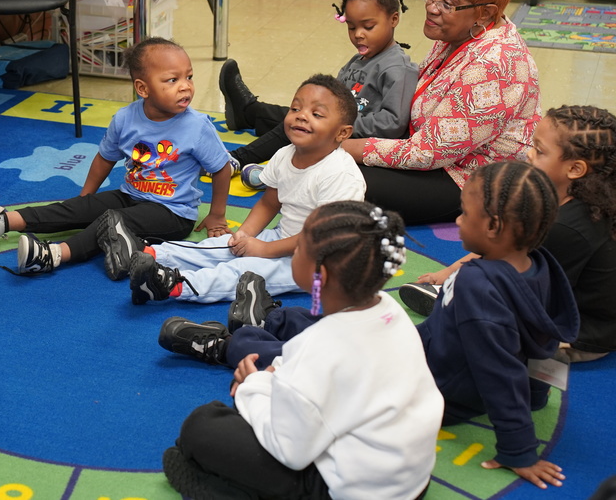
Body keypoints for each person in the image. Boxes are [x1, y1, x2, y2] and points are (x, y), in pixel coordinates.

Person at [160, 201, 443, 500]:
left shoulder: (323, 346)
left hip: (350, 491)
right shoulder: (391, 313)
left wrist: (252, 387)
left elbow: (290, 450)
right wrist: (277, 376)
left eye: (300, 247)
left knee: (203, 425)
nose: (293, 251)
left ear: (320, 274)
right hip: (411, 483)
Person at [0, 37, 232, 278]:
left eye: (189, 77)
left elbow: (221, 168)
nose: (185, 86)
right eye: (172, 80)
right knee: (81, 208)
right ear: (142, 88)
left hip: (172, 213)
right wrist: (85, 199)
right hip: (131, 194)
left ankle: (52, 255)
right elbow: (104, 158)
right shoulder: (125, 118)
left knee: (111, 220)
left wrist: (216, 215)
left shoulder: (197, 126)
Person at [101, 74, 366, 304]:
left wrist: (263, 250)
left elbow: (319, 238)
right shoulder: (285, 154)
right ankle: (146, 254)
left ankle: (174, 285)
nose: (301, 116)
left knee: (245, 269)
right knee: (221, 246)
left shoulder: (341, 174)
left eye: (316, 114)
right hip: (284, 238)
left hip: (321, 262)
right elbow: (269, 203)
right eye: (295, 108)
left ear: (342, 133)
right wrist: (245, 235)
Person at [337, 0, 540, 224]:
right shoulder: (461, 31)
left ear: (485, 12)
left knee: (335, 172)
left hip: (471, 179)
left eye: (448, 3)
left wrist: (344, 146)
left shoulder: (493, 64)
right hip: (434, 156)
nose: (432, 8)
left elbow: (427, 152)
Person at [402, 105, 616, 362]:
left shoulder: (567, 229)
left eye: (539, 150)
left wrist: (469, 296)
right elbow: (506, 249)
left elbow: (527, 291)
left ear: (575, 169)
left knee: (471, 329)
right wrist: (447, 273)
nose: (528, 153)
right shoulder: (565, 200)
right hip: (561, 304)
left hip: (577, 334)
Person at [418, 161, 579, 489]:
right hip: (448, 363)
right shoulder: (537, 264)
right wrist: (535, 395)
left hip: (437, 391)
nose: (458, 221)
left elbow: (499, 370)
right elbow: (540, 333)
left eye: (464, 213)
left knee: (335, 352)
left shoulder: (477, 285)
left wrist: (519, 450)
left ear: (493, 226)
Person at [220, 0, 417, 184]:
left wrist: (339, 124)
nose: (358, 34)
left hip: (356, 140)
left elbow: (393, 122)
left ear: (394, 19)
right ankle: (264, 155)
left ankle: (239, 159)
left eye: (368, 27)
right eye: (351, 27)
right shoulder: (360, 58)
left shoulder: (398, 67)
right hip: (339, 128)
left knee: (299, 126)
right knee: (297, 119)